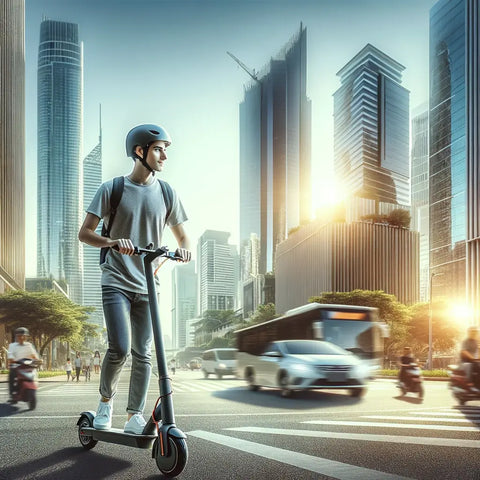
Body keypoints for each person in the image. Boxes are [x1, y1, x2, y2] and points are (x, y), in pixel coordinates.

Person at [78, 124, 191, 435]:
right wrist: (113, 242)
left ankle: (133, 416)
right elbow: (84, 233)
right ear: (140, 152)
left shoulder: (167, 193)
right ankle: (105, 403)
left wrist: (183, 251)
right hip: (115, 280)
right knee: (120, 348)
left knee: (144, 353)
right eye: (158, 149)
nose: (164, 155)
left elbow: (184, 238)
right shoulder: (112, 189)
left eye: (165, 149)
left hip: (147, 286)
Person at [7, 327, 39, 403]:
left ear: (26, 337)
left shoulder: (29, 345)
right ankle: (12, 394)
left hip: (28, 366)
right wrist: (12, 360)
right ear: (16, 337)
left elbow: (34, 355)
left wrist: (38, 360)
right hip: (16, 366)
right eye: (19, 336)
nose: (21, 337)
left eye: (23, 335)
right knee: (11, 376)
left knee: (34, 375)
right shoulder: (12, 345)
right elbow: (10, 356)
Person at [460, 325, 480, 391]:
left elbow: (478, 350)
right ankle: (471, 383)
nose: (473, 333)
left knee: (477, 365)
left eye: (475, 332)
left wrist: (478, 358)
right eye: (472, 332)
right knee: (473, 365)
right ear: (469, 332)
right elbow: (464, 351)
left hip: (473, 360)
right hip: (465, 360)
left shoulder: (475, 341)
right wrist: (473, 358)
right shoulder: (465, 341)